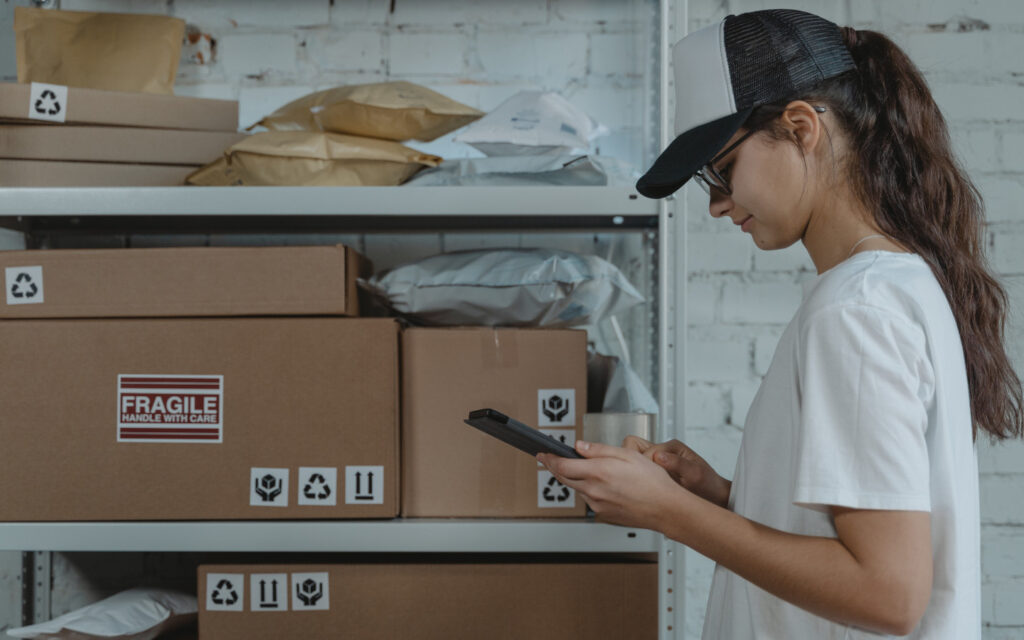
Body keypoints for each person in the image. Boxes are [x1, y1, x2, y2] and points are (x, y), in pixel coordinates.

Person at [538, 9, 1023, 639]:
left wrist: (671, 513)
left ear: (800, 128)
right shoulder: (891, 285)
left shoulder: (857, 311)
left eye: (720, 170)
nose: (714, 204)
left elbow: (889, 594)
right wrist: (715, 493)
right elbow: (858, 535)